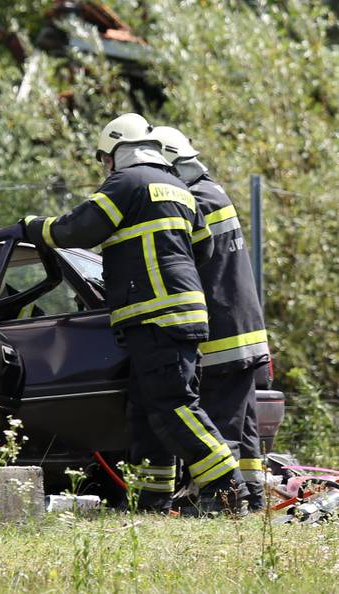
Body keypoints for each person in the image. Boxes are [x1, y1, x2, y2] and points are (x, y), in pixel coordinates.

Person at [22, 113, 247, 514]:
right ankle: (150, 499)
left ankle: (229, 491)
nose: (104, 166)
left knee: (176, 406)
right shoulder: (179, 188)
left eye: (103, 158)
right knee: (148, 412)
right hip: (178, 315)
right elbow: (205, 249)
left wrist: (31, 227)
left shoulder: (126, 183)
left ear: (113, 152)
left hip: (156, 317)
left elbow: (76, 229)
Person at [150, 126, 270, 511]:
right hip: (244, 329)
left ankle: (221, 504)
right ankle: (250, 497)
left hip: (221, 335)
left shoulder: (194, 200)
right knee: (243, 426)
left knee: (221, 424)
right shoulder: (213, 191)